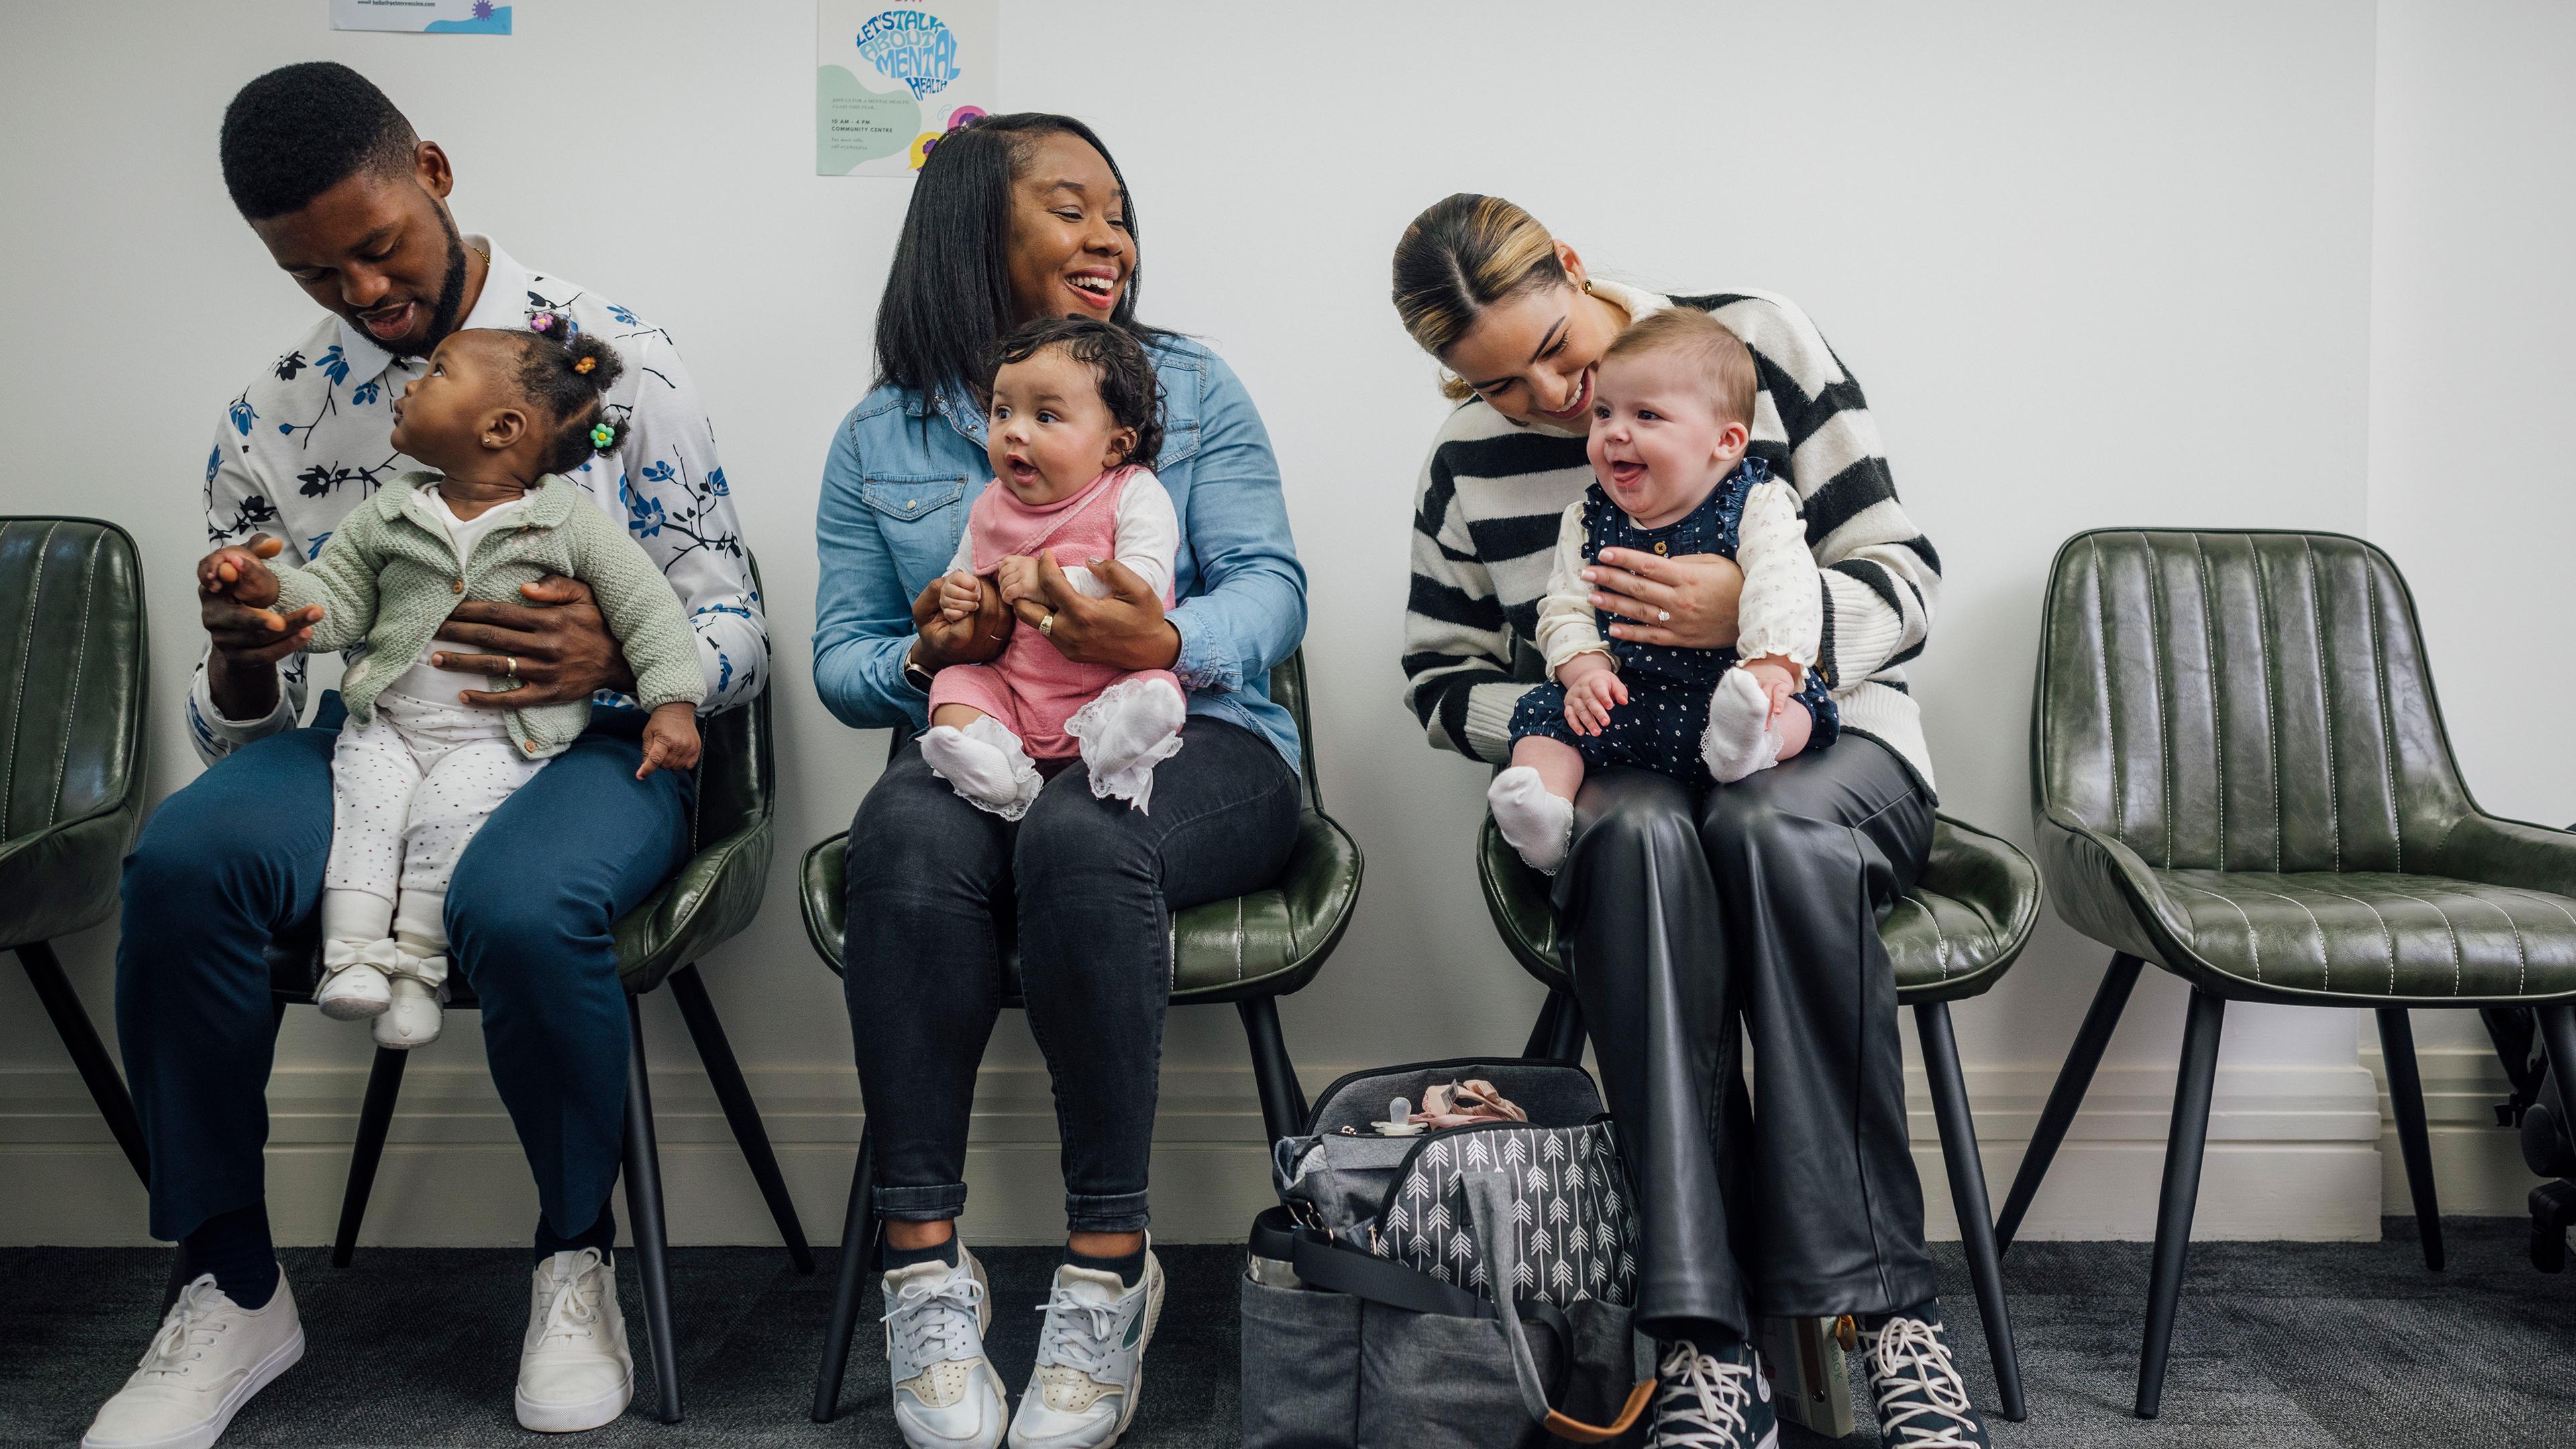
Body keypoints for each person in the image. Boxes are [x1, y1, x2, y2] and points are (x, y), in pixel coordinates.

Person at [87, 62, 763, 1449]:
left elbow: (733, 613)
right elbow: (238, 734)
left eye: (378, 248)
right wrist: (242, 649)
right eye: (313, 273)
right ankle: (230, 1282)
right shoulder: (272, 414)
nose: (361, 295)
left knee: (522, 903)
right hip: (377, 728)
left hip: (598, 744)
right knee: (184, 862)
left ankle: (574, 1254)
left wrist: (623, 660)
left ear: (435, 174)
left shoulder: (613, 356)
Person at [1391, 193, 1981, 1449]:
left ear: (1572, 265)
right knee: (1650, 842)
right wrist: (1567, 701)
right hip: (1624, 765)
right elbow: (1441, 677)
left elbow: (1907, 575)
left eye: (1556, 348)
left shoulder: (1753, 339)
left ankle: (1884, 1319)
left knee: (1766, 835)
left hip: (1822, 747)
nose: (1551, 400)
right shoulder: (1467, 464)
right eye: (1496, 387)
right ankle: (1702, 1343)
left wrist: (1757, 625)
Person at [812, 113, 1305, 1449]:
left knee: (1086, 837)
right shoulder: (881, 437)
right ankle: (925, 1271)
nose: (1109, 239)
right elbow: (843, 661)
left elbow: (1272, 588)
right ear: (976, 228)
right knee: (900, 844)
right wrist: (930, 651)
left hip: (1197, 743)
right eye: (1070, 209)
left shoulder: (1191, 389)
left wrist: (1171, 639)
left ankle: (1106, 1272)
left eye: (1119, 212)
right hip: (987, 742)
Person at [195, 321, 707, 1050]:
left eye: (437, 372)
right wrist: (268, 587)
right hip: (389, 724)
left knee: (443, 823)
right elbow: (336, 601)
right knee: (366, 819)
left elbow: (649, 611)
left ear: (501, 428)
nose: (409, 382)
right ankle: (354, 961)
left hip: (501, 737)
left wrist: (671, 704)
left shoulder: (573, 525)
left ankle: (418, 972)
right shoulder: (390, 511)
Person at [1488, 307, 1835, 875]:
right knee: (1546, 718)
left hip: (1730, 697)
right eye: (1604, 412)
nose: (1615, 431)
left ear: (1725, 442)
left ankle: (1750, 746)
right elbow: (1566, 607)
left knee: (1795, 707)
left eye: (1647, 415)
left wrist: (1771, 665)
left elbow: (1784, 582)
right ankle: (1545, 818)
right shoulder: (1587, 520)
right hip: (1629, 703)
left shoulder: (1753, 503)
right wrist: (1585, 673)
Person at [922, 316, 1187, 818]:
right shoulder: (988, 507)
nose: (1014, 431)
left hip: (1114, 677)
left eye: (1045, 417)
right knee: (954, 686)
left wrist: (1053, 585)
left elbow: (1145, 580)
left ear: (1115, 445)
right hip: (1018, 691)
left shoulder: (1132, 493)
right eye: (1002, 412)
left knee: (1155, 688)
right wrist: (959, 595)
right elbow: (963, 574)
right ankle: (990, 765)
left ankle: (1116, 747)